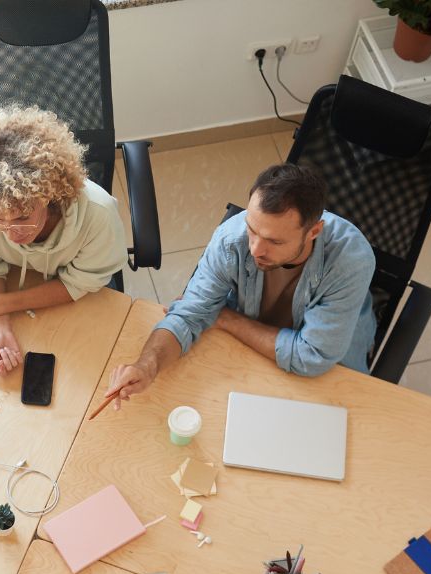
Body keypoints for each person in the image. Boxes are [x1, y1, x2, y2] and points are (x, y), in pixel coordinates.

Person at [106, 163, 376, 406]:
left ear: (313, 232)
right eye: (252, 229)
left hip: (326, 372)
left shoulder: (351, 260)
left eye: (274, 241)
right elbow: (188, 316)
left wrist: (224, 317)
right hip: (252, 353)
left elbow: (312, 356)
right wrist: (146, 367)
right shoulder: (231, 238)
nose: (256, 249)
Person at [0, 105, 129, 374]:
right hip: (24, 295)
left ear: (51, 195)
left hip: (76, 302)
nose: (11, 234)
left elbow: (76, 283)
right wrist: (0, 327)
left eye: (22, 218)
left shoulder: (98, 215)